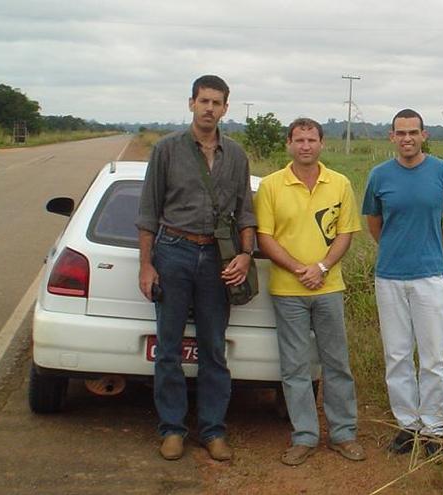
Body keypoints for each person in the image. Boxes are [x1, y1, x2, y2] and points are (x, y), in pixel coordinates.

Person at [136, 75, 256, 462]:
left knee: (213, 349)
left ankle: (213, 430)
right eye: (203, 101)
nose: (209, 108)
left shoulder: (236, 155)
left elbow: (246, 212)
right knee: (168, 348)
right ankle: (172, 429)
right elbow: (149, 212)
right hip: (173, 252)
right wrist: (146, 265)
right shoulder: (167, 150)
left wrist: (245, 254)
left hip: (217, 261)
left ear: (225, 108)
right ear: (191, 104)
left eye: (216, 102)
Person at [254, 118, 366, 466]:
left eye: (312, 139)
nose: (305, 146)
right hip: (288, 291)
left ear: (322, 144)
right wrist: (299, 269)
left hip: (329, 286)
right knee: (295, 367)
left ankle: (343, 434)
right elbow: (265, 237)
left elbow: (345, 233)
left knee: (336, 363)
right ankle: (304, 436)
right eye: (299, 140)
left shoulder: (340, 183)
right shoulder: (272, 185)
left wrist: (320, 268)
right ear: (289, 144)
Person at [361, 108, 443, 457]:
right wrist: (396, 249)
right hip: (389, 277)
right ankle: (408, 426)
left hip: (430, 278)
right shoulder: (379, 176)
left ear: (425, 135)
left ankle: (436, 429)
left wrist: (428, 248)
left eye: (413, 132)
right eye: (400, 132)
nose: (407, 138)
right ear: (391, 137)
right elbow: (374, 223)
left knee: (433, 357)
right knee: (397, 355)